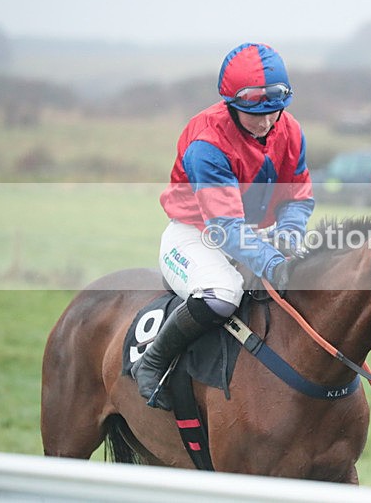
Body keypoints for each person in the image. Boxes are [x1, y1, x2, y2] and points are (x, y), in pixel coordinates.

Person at [131, 42, 314, 409]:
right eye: (253, 114)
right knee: (223, 293)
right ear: (232, 104)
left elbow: (299, 197)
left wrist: (289, 236)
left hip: (254, 234)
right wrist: (274, 263)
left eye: (273, 112)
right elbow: (227, 230)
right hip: (197, 234)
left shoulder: (291, 131)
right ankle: (152, 363)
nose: (265, 123)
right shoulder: (206, 142)